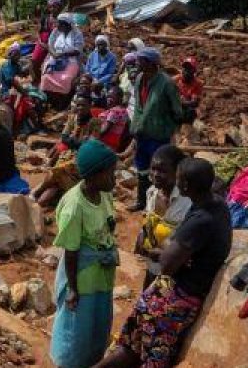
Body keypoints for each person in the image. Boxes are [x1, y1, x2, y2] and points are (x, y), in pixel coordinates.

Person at [97, 158, 231, 368]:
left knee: (136, 351)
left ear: (185, 186)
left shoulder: (201, 219)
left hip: (174, 299)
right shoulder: (217, 205)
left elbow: (168, 266)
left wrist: (155, 252)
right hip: (170, 293)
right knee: (134, 349)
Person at [51, 140, 119, 368]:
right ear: (95, 175)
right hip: (81, 276)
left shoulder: (104, 194)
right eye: (111, 174)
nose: (115, 179)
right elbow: (71, 251)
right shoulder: (74, 206)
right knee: (76, 329)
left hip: (101, 274)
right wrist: (72, 289)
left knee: (98, 324)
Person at [127, 48, 184, 212]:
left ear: (152, 64)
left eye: (141, 61)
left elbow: (177, 110)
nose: (137, 64)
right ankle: (141, 201)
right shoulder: (139, 79)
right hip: (141, 131)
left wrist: (171, 128)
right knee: (142, 168)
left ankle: (157, 205)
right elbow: (138, 105)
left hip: (159, 134)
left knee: (158, 170)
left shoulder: (166, 83)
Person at [134, 145, 191, 291]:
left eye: (162, 171)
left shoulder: (187, 201)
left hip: (176, 272)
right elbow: (148, 221)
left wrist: (165, 253)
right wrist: (142, 236)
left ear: (177, 172)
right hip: (153, 267)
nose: (156, 174)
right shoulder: (151, 193)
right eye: (153, 169)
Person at [41, 14, 85, 110]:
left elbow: (77, 51)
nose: (57, 26)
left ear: (66, 25)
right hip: (55, 59)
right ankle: (49, 101)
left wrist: (62, 54)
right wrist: (54, 54)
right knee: (46, 77)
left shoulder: (77, 33)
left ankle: (63, 102)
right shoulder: (56, 31)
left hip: (71, 61)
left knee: (66, 79)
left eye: (60, 24)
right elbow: (50, 44)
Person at [32, 0, 65, 83]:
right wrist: (40, 42)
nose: (53, 9)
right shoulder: (45, 18)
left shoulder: (63, 19)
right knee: (34, 61)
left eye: (55, 6)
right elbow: (39, 32)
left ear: (59, 7)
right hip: (43, 43)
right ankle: (37, 80)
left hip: (56, 45)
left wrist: (52, 47)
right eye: (51, 6)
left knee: (52, 65)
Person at [97, 86, 131, 154]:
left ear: (120, 98)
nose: (109, 99)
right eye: (108, 97)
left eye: (112, 97)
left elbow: (105, 130)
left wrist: (92, 137)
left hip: (103, 144)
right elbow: (126, 130)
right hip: (113, 145)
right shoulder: (124, 111)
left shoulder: (115, 111)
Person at [175, 57, 204, 124]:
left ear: (193, 71)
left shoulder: (197, 83)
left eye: (189, 69)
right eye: (185, 68)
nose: (186, 71)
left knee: (190, 112)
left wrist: (182, 103)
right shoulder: (177, 79)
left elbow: (194, 102)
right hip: (174, 106)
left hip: (185, 108)